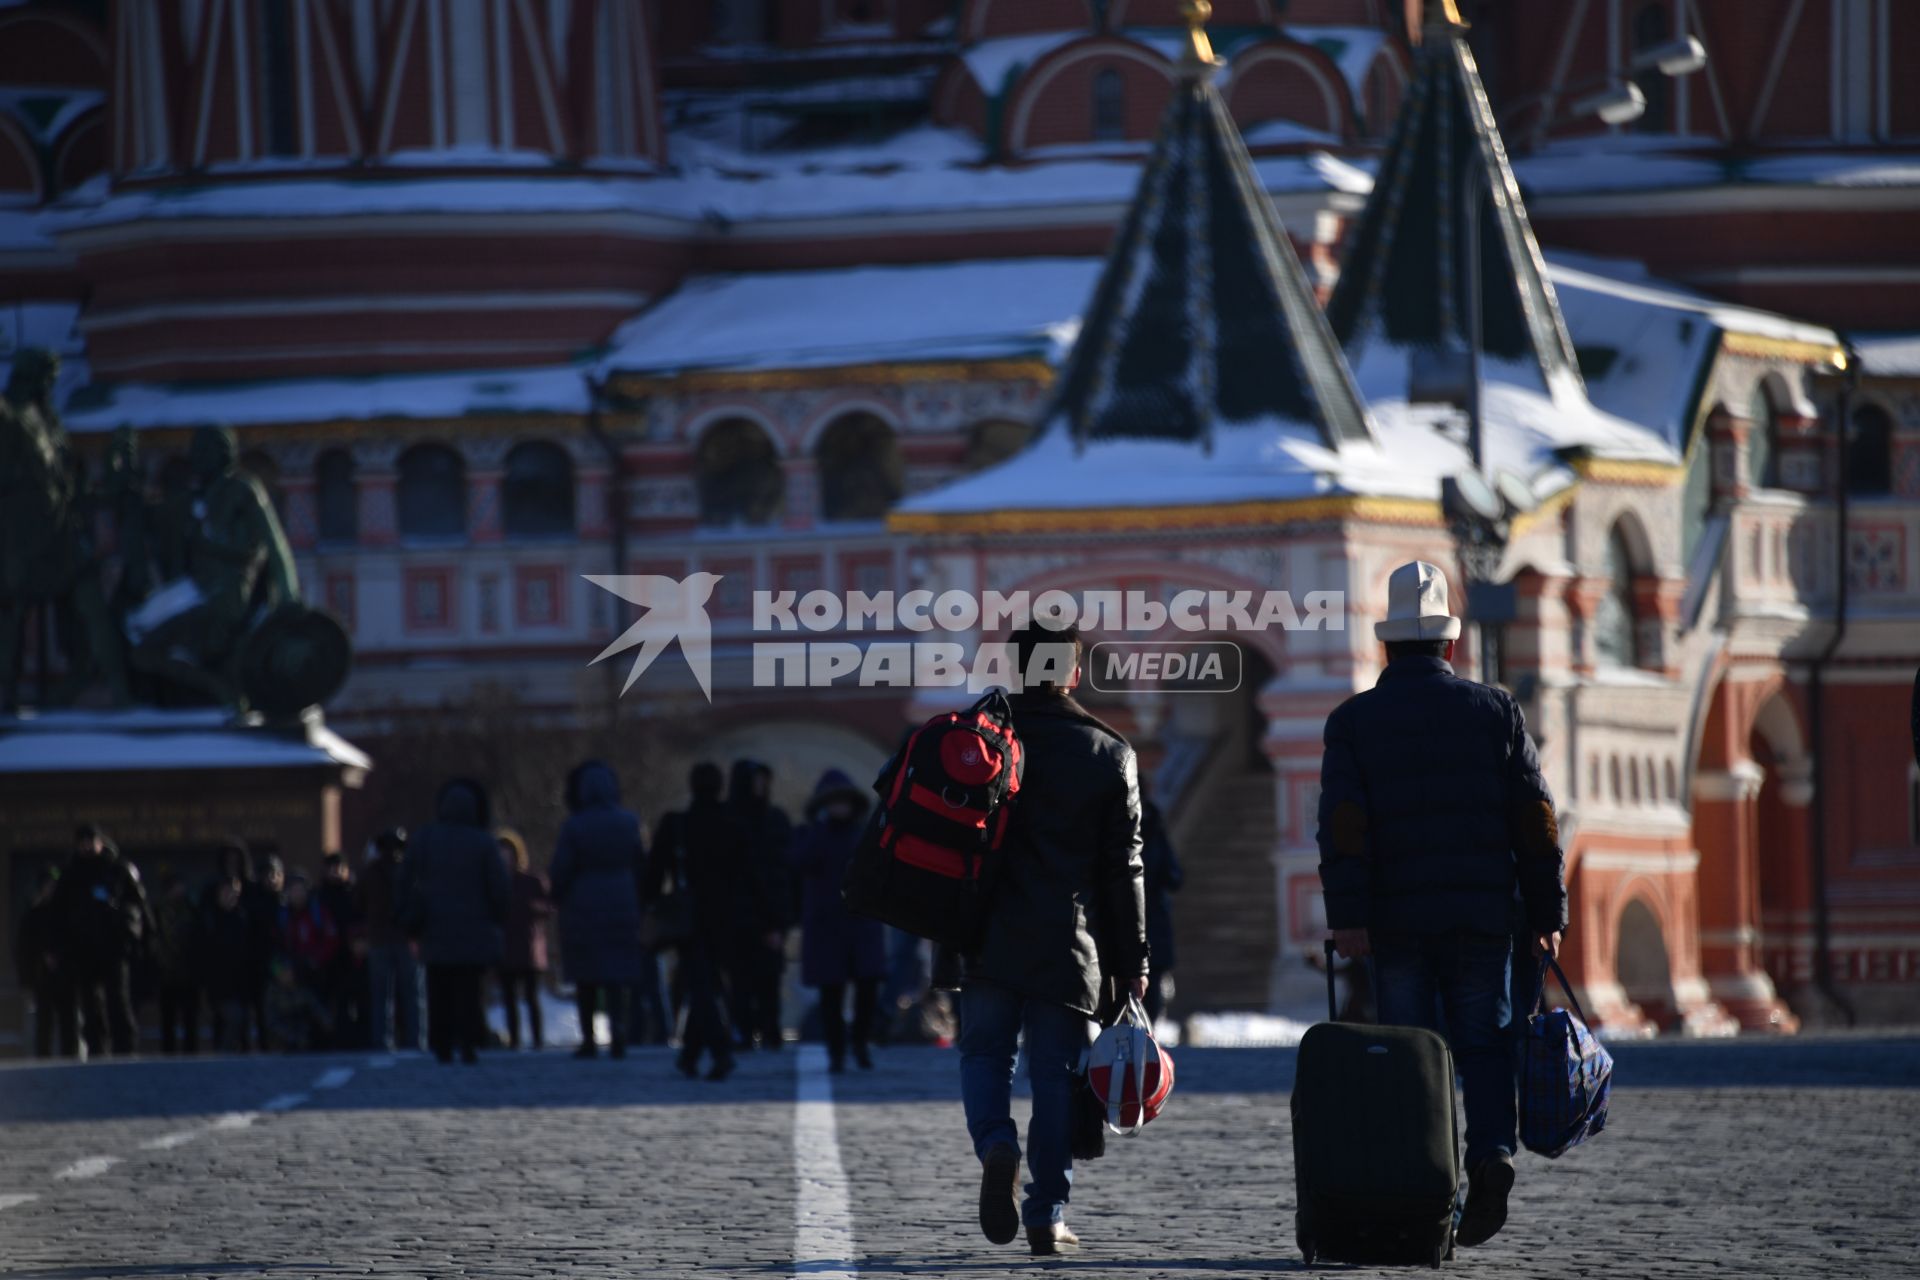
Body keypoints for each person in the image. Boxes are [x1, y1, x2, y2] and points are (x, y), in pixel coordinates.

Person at [1315, 560, 1567, 1250]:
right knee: (1484, 1043)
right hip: (1484, 918)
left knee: (1411, 1053)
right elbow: (1536, 819)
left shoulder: (1354, 721)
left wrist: (1349, 917)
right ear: (1450, 646)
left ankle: (1426, 1184)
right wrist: (1548, 912)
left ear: (1386, 646)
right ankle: (1492, 1152)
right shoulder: (1496, 711)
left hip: (1394, 925)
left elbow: (1342, 825)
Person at [961, 621, 1148, 1257]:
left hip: (985, 934)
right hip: (1070, 946)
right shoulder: (1108, 751)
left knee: (986, 1056)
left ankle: (996, 1146)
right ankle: (1046, 1214)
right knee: (1055, 1077)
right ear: (1072, 671)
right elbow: (1126, 867)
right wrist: (1134, 959)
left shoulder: (979, 738)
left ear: (1018, 669)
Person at [399, 779, 509, 1065]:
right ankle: (470, 1042)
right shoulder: (483, 842)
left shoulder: (426, 838)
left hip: (436, 928)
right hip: (474, 928)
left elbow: (405, 877)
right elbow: (498, 887)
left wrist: (408, 914)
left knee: (439, 989)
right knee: (470, 991)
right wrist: (498, 916)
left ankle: (442, 1044)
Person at [649, 762, 744, 1082]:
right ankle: (690, 1054)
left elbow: (654, 873)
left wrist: (649, 906)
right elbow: (748, 873)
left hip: (688, 917)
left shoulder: (677, 824)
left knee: (700, 985)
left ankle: (720, 1051)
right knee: (706, 984)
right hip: (727, 916)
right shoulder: (732, 823)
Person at [788, 769, 886, 1073]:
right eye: (832, 803)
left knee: (867, 991)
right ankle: (837, 1051)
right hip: (826, 926)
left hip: (862, 923)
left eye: (842, 802)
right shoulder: (812, 835)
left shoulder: (865, 834)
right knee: (831, 994)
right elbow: (796, 863)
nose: (839, 808)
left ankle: (859, 1043)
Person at [549, 762, 647, 1059]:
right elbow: (640, 865)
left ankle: (589, 1039)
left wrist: (559, 896)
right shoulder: (629, 822)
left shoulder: (575, 826)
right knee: (617, 978)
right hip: (622, 903)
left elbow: (561, 869)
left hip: (583, 907)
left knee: (587, 978)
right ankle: (619, 1035)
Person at [53, 824, 154, 1058]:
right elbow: (58, 914)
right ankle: (98, 1050)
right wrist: (59, 946)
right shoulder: (71, 875)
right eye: (82, 842)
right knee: (91, 1006)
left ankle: (125, 1050)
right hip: (84, 950)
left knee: (118, 1001)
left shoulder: (117, 871)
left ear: (101, 842)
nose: (87, 846)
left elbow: (139, 905)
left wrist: (137, 936)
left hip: (114, 947)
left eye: (91, 840)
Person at [727, 759, 793, 1052]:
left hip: (768, 912)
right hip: (739, 915)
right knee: (740, 979)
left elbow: (785, 871)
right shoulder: (730, 820)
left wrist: (779, 919)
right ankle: (743, 1029)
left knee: (768, 980)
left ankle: (769, 1029)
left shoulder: (774, 818)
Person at [357, 827, 423, 1052]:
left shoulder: (369, 873)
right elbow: (419, 904)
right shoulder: (410, 871)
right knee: (411, 996)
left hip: (379, 939)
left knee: (381, 997)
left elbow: (357, 903)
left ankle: (382, 1040)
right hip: (404, 939)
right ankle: (415, 1040)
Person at [497, 829, 553, 1051]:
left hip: (528, 946)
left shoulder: (532, 881)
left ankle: (537, 1038)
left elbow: (549, 907)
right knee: (509, 997)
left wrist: (535, 909)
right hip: (506, 946)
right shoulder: (497, 883)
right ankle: (515, 1039)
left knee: (531, 997)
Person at [13, 869, 73, 1057]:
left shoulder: (66, 915)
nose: (51, 890)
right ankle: (43, 1058)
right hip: (41, 977)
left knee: (67, 1021)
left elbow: (74, 943)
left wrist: (60, 958)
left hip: (65, 977)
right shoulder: (33, 916)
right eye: (48, 886)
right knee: (43, 1022)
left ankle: (69, 1056)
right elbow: (24, 949)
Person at [1138, 785, 1185, 1024]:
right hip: (1135, 921)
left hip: (1151, 921)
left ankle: (1145, 1040)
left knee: (1151, 988)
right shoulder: (1152, 829)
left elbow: (1175, 876)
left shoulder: (1154, 829)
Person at [279, 873, 340, 1046]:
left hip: (318, 974)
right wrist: (281, 971)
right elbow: (275, 949)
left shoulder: (318, 913)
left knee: (320, 1012)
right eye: (293, 890)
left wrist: (316, 961)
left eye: (300, 890)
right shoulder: (283, 917)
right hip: (292, 976)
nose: (297, 894)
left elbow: (331, 940)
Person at [316, 852, 367, 1048]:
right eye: (332, 868)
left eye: (340, 868)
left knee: (361, 1001)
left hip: (355, 955)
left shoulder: (355, 892)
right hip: (331, 958)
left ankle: (362, 1040)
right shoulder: (320, 896)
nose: (336, 872)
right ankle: (338, 1042)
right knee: (338, 1003)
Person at [200, 876, 256, 1053]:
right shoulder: (210, 919)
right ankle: (223, 1055)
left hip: (241, 983)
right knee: (233, 1018)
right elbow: (203, 953)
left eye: (234, 892)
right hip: (218, 984)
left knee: (242, 1023)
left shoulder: (243, 917)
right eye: (226, 891)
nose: (230, 895)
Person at [152, 873, 203, 1054]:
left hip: (189, 973)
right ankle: (169, 1053)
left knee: (190, 1018)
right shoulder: (159, 911)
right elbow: (156, 940)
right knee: (168, 1019)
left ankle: (191, 1052)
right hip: (167, 974)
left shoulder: (192, 909)